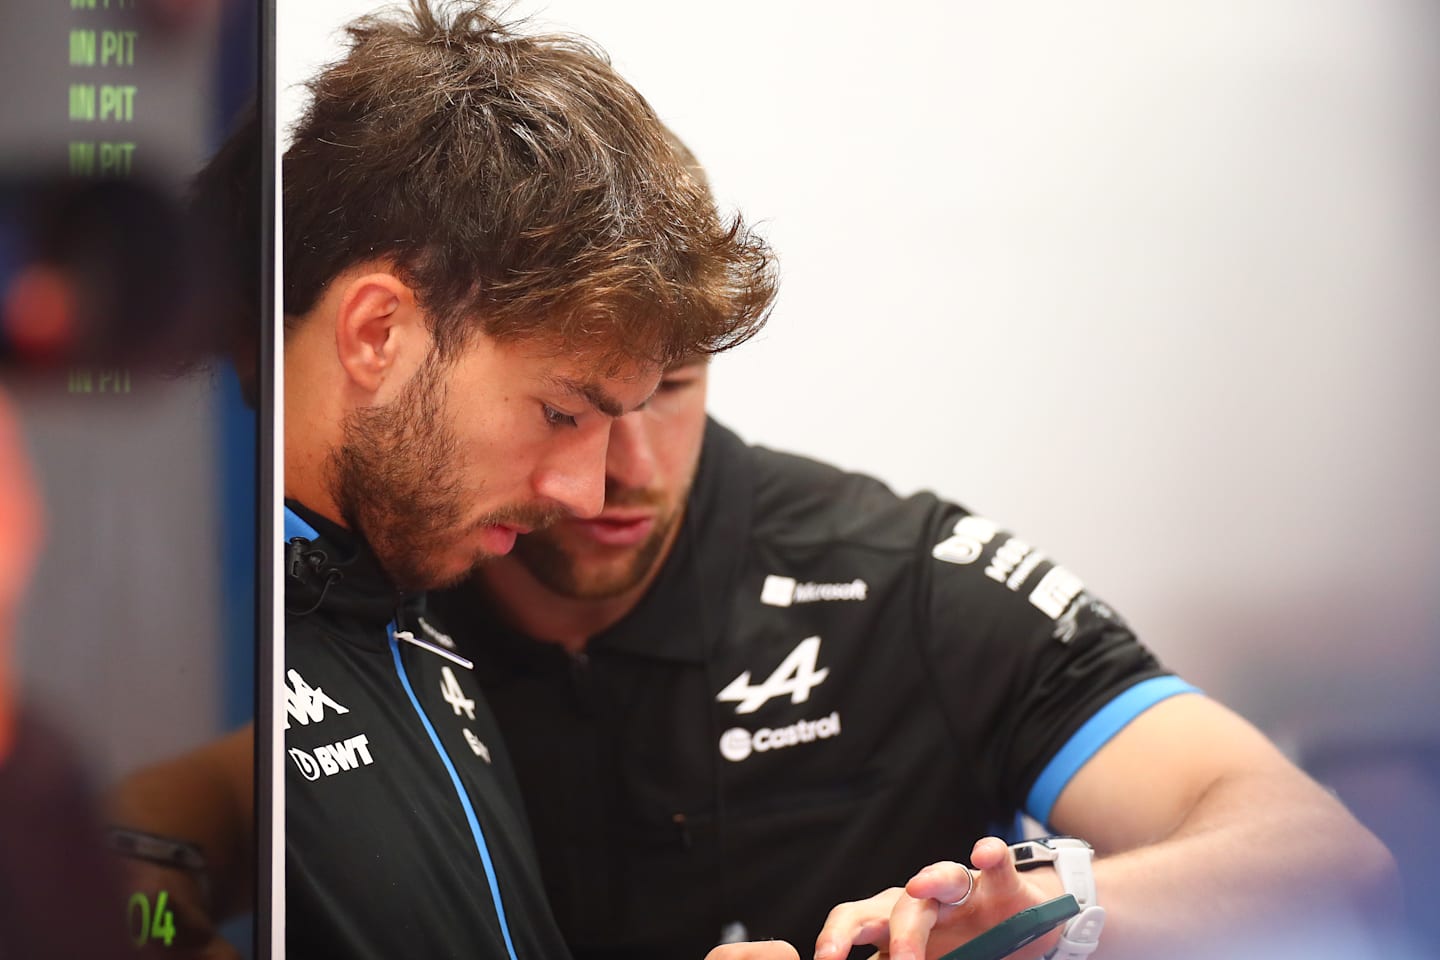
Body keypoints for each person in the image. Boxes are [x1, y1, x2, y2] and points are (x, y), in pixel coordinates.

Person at [422, 142, 1400, 960]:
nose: (619, 469)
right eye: (567, 409)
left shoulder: (906, 576)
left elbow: (1323, 849)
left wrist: (1055, 907)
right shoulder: (395, 583)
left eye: (670, 387)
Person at [274, 2, 778, 959]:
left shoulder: (401, 600)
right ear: (379, 332)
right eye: (561, 413)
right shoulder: (188, 652)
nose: (584, 496)